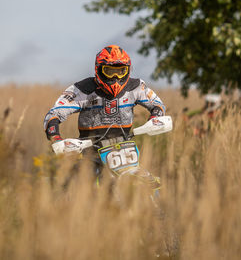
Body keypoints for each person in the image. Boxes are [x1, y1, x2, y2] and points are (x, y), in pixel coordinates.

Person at [43, 45, 164, 191]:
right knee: (75, 187)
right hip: (91, 152)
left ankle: (157, 211)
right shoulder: (82, 89)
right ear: (99, 69)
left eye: (120, 72)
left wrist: (155, 119)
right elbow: (54, 113)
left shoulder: (136, 87)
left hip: (125, 151)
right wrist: (56, 138)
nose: (115, 77)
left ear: (128, 70)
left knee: (152, 185)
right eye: (110, 71)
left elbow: (157, 104)